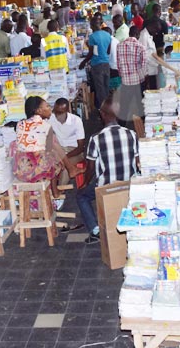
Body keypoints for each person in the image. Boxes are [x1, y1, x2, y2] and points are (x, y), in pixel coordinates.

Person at [76, 97, 139, 244]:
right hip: (128, 184)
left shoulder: (96, 138)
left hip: (106, 187)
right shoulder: (131, 134)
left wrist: (84, 183)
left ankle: (95, 230)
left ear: (102, 114)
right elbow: (137, 162)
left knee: (81, 197)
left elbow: (90, 168)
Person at [11, 96, 84, 199]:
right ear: (39, 111)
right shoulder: (45, 126)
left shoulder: (20, 124)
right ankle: (59, 184)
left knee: (50, 152)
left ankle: (69, 171)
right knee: (53, 155)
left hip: (21, 171)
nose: (51, 109)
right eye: (47, 106)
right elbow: (50, 150)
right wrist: (62, 161)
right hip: (36, 173)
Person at [49, 98, 86, 187]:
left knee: (66, 167)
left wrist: (64, 157)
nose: (57, 115)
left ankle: (61, 192)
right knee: (48, 164)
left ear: (67, 111)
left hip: (74, 151)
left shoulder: (76, 121)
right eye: (56, 112)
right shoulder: (51, 118)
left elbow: (81, 147)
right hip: (58, 149)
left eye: (61, 113)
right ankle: (51, 191)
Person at [115, 25, 146, 128]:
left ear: (129, 34)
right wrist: (143, 78)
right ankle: (144, 125)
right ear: (137, 35)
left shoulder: (119, 46)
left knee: (124, 106)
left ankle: (121, 127)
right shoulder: (141, 47)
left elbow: (118, 64)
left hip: (125, 81)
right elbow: (143, 65)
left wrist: (123, 75)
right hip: (137, 80)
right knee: (140, 105)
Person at [79, 19, 111, 109]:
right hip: (106, 63)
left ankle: (103, 110)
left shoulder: (92, 37)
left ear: (92, 26)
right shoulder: (107, 35)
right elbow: (108, 51)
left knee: (100, 89)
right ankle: (108, 107)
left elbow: (91, 53)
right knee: (106, 87)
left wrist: (83, 62)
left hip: (97, 65)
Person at [138, 19, 160, 90]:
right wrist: (156, 63)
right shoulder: (143, 36)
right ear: (151, 27)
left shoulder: (149, 35)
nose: (156, 33)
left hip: (153, 68)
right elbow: (143, 55)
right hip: (148, 70)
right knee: (151, 89)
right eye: (156, 31)